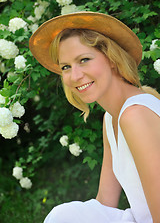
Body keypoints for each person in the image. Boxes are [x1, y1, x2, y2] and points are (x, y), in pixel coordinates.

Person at [29, 12, 160, 223]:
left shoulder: (135, 115)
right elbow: (103, 205)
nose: (75, 76)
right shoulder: (112, 118)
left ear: (111, 58)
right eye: (66, 67)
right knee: (64, 217)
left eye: (84, 60)